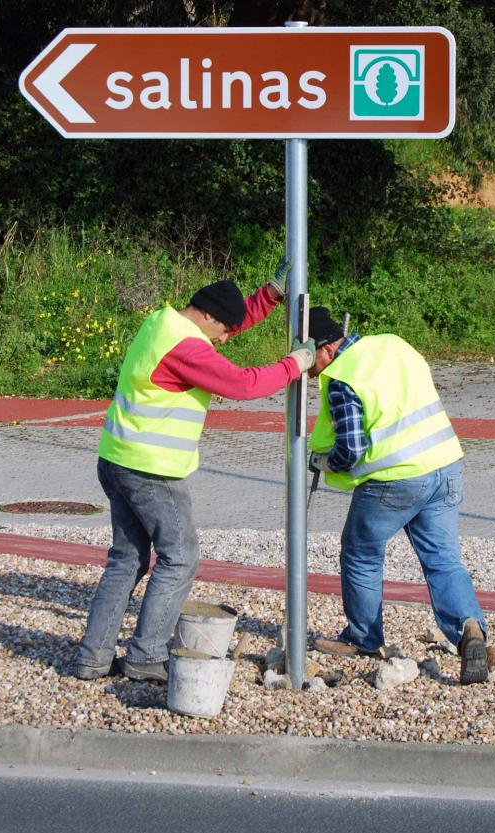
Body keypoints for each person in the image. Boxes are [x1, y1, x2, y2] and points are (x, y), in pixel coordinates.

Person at [75, 259, 316, 682]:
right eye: (223, 331)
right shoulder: (187, 348)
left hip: (116, 458)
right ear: (206, 316)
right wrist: (295, 364)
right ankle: (146, 657)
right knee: (180, 558)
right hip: (151, 470)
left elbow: (226, 323)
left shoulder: (162, 323)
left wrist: (270, 295)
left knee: (127, 560)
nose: (224, 340)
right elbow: (244, 385)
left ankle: (92, 658)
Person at [307, 306, 488, 685]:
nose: (308, 373)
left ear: (323, 349)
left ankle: (363, 637)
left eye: (307, 360)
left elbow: (351, 450)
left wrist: (324, 462)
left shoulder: (342, 377)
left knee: (360, 553)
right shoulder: (394, 344)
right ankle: (470, 629)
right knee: (443, 560)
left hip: (396, 479)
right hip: (446, 465)